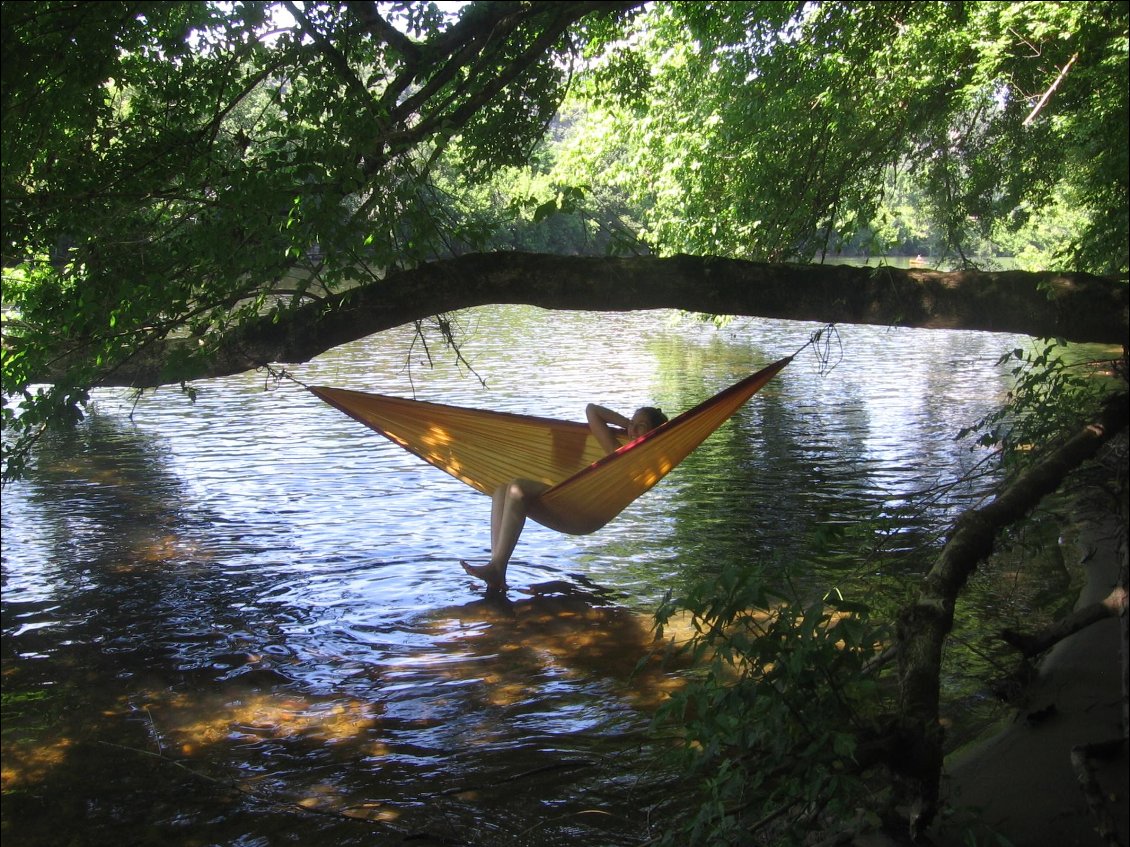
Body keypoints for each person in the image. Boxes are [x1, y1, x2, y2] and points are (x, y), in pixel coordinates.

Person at [461, 403, 669, 594]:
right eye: (632, 422)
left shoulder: (644, 464)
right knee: (501, 490)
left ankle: (497, 568)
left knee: (517, 488)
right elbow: (591, 410)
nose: (633, 429)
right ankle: (496, 571)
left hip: (584, 515)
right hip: (572, 503)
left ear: (654, 433)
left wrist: (641, 431)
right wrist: (628, 424)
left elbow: (595, 414)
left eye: (641, 425)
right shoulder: (617, 449)